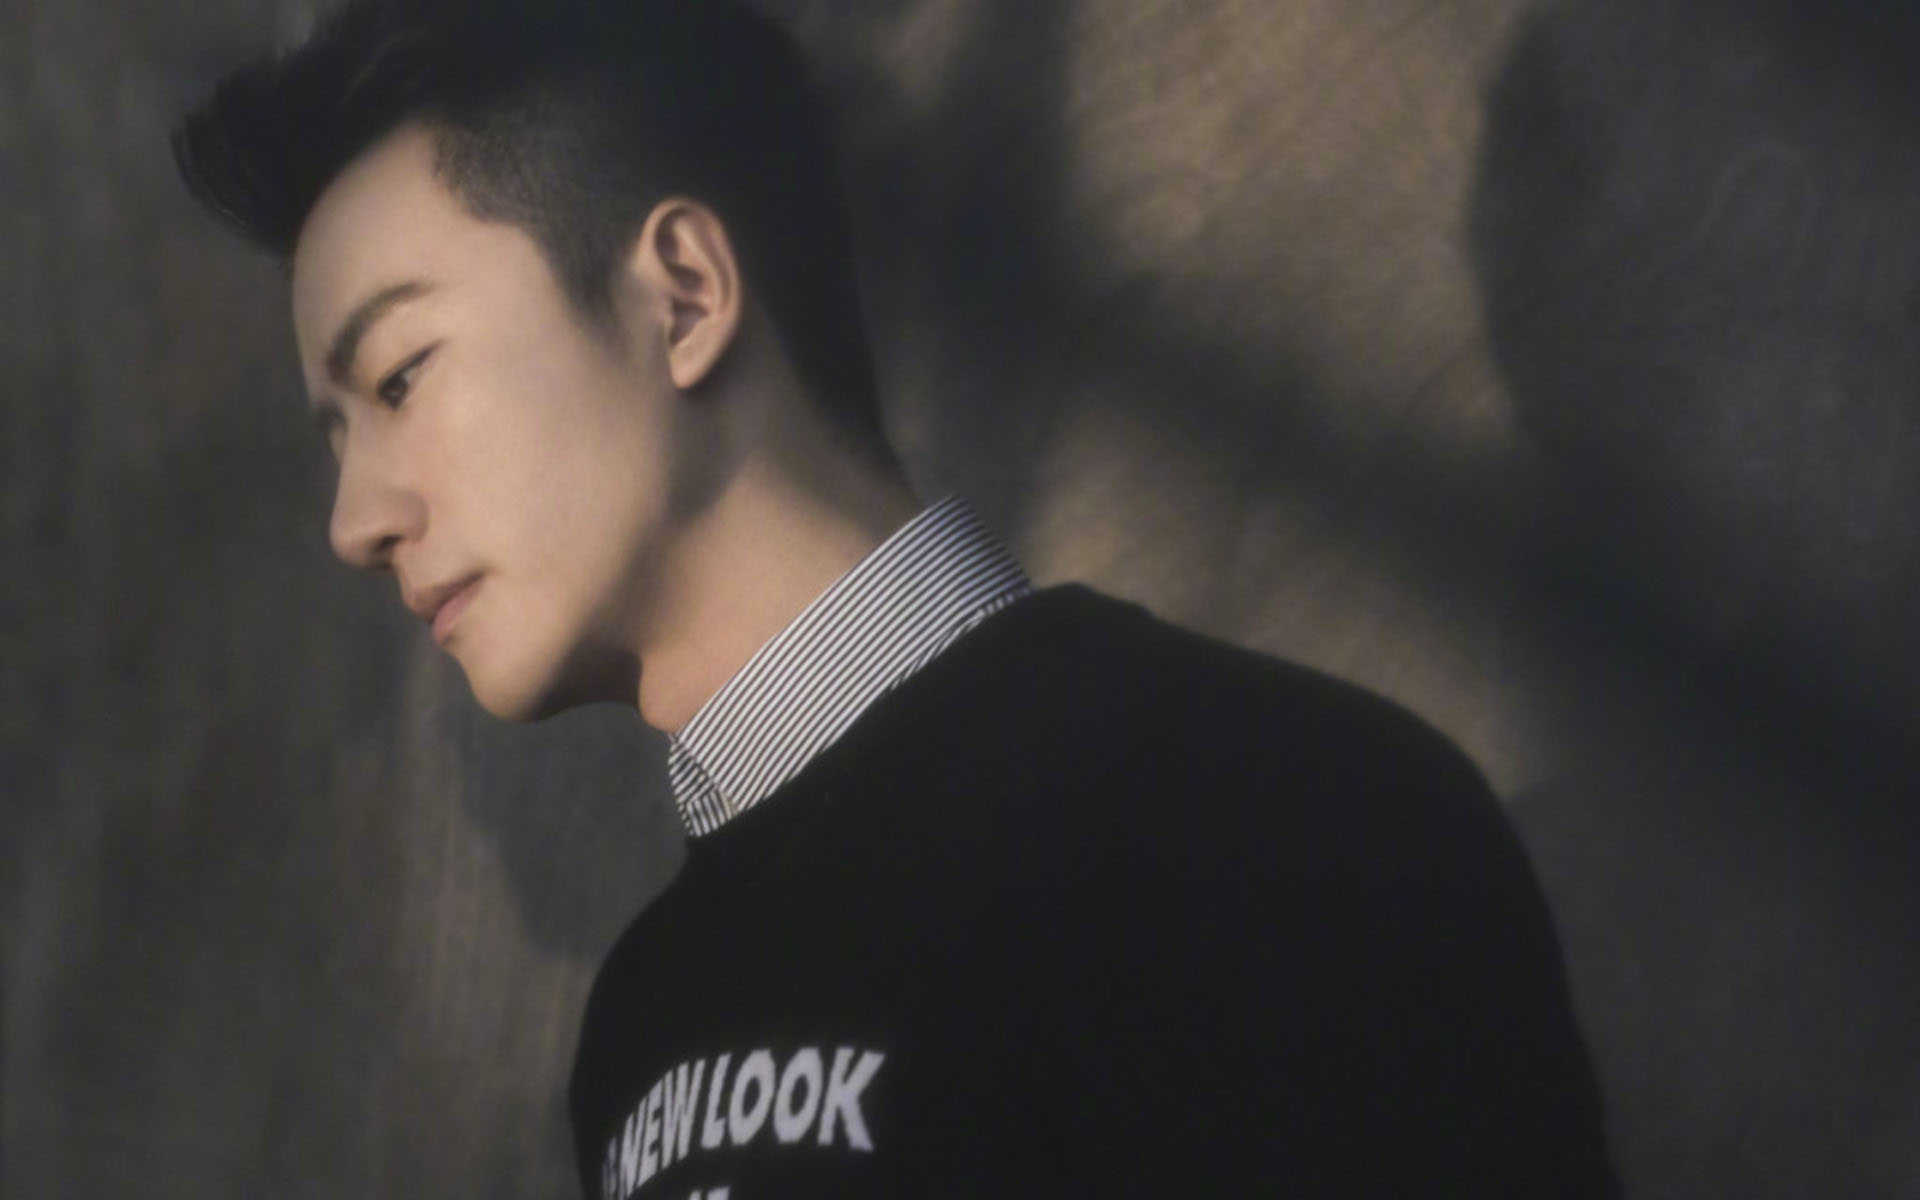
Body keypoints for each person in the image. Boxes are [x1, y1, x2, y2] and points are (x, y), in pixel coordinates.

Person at [172, 0, 1618, 1194]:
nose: (355, 522)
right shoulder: (643, 1019)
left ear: (683, 293)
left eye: (399, 377)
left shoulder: (1266, 805)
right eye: (336, 437)